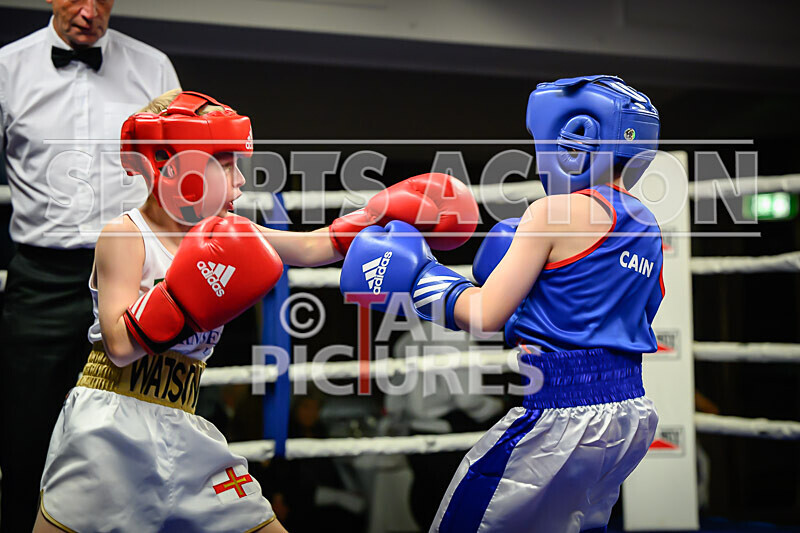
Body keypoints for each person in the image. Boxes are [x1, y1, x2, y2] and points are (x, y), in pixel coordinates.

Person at [32, 89, 480, 532]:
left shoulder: (233, 233)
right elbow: (120, 345)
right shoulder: (125, 235)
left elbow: (310, 246)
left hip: (182, 423)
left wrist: (381, 211)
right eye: (226, 165)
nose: (240, 181)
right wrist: (183, 295)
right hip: (109, 422)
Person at [340, 75, 664, 532]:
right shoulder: (647, 225)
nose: (539, 160)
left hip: (559, 411)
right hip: (628, 412)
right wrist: (534, 314)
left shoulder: (551, 213)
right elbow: (630, 313)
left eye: (543, 145)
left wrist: (418, 278)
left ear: (576, 141)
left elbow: (483, 314)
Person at [0, 2, 180, 529]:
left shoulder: (153, 67)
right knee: (27, 438)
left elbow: (180, 173)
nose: (88, 11)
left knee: (141, 435)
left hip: (134, 272)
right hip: (42, 280)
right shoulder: (8, 68)